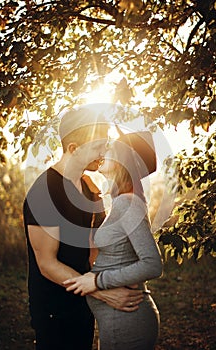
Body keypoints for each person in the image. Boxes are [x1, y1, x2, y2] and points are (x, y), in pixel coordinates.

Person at [23, 106, 144, 350]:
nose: (104, 152)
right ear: (73, 149)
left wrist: (111, 281)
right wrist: (100, 291)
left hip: (83, 304)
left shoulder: (91, 189)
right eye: (97, 146)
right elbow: (47, 263)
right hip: (54, 310)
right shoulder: (44, 193)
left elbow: (93, 249)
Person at [64, 129, 163, 350]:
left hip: (128, 322)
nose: (103, 153)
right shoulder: (120, 203)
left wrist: (97, 282)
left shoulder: (128, 203)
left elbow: (153, 264)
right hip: (118, 323)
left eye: (110, 149)